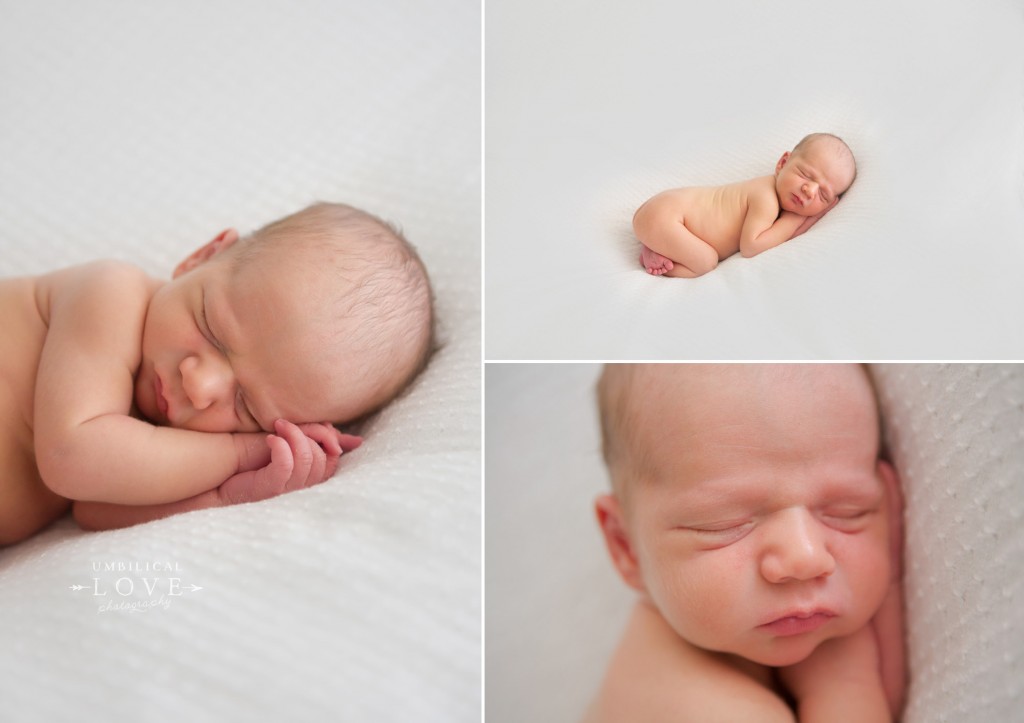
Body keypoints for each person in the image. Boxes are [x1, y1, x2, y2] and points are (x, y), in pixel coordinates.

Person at [0, 202, 434, 544]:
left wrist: (228, 493)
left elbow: (94, 510)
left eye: (246, 405)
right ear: (203, 257)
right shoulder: (112, 294)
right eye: (211, 327)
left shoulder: (165, 438)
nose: (200, 385)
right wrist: (241, 452)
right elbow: (70, 459)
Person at [585, 364, 905, 722]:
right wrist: (845, 689)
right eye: (724, 523)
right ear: (626, 545)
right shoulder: (712, 710)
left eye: (849, 511)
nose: (805, 556)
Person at [634, 133, 856, 277]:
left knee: (705, 260)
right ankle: (654, 254)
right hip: (667, 216)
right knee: (706, 263)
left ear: (830, 206)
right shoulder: (765, 197)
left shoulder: (773, 201)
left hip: (666, 212)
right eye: (805, 174)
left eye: (823, 196)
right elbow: (752, 246)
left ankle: (659, 243)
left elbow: (780, 238)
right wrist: (796, 218)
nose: (809, 190)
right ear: (783, 163)